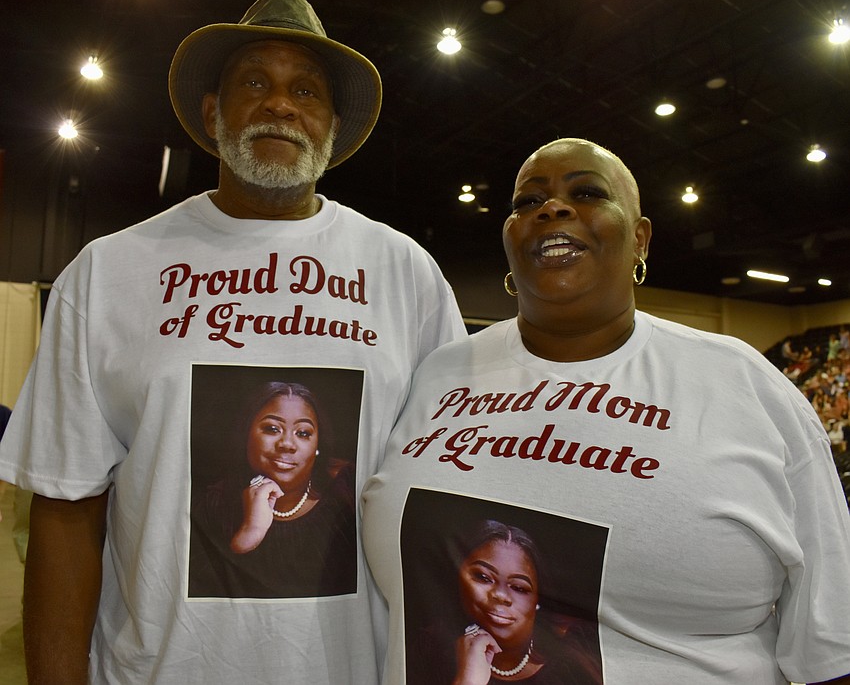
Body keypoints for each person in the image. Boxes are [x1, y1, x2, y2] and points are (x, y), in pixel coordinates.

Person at [0, 0, 466, 682]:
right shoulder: (108, 272)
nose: (280, 104)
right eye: (255, 82)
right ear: (213, 113)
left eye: (304, 90)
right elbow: (67, 510)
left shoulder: (407, 276)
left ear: (332, 126)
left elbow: (445, 504)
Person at [362, 138, 850, 684]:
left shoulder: (745, 385)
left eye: (587, 192)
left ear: (640, 238)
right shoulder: (440, 374)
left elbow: (833, 647)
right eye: (527, 202)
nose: (552, 208)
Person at [189, 381, 357, 598]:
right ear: (247, 434)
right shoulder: (212, 505)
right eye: (272, 429)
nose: (287, 444)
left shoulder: (347, 495)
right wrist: (250, 533)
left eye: (303, 433)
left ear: (318, 446)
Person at [408, 519, 601, 685]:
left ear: (537, 600)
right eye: (483, 577)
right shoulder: (430, 648)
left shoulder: (572, 667)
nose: (500, 595)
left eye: (519, 588)